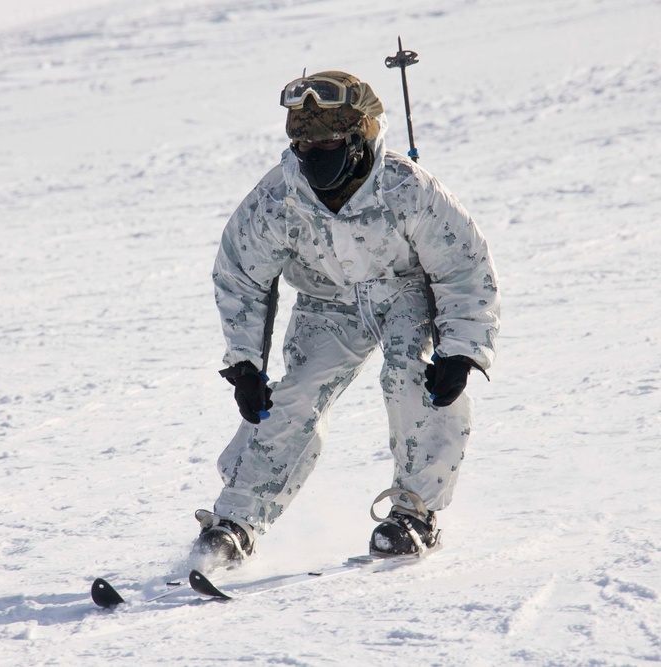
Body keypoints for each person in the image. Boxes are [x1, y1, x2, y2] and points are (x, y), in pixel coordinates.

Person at [193, 71, 500, 567]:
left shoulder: (407, 189)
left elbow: (464, 266)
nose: (314, 156)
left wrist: (461, 350)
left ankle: (414, 513)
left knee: (410, 376)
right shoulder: (278, 198)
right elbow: (241, 274)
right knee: (294, 395)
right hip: (325, 304)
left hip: (405, 296)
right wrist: (245, 362)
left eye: (329, 142)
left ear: (359, 139)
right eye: (303, 145)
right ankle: (237, 522)